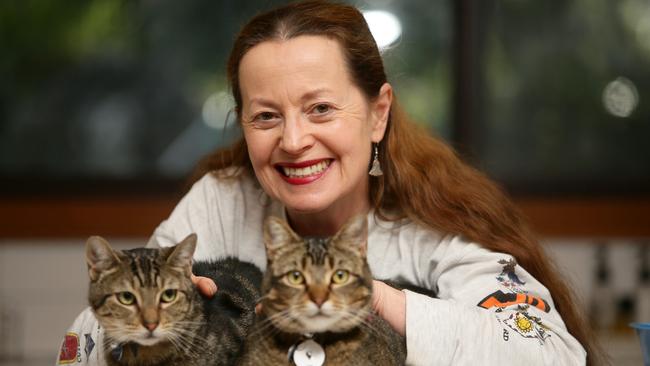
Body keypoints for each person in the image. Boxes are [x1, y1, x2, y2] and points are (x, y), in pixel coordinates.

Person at [59, 1, 606, 365]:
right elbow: (78, 343)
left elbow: (552, 353)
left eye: (320, 108)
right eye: (267, 116)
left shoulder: (442, 218)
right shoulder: (222, 200)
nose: (294, 140)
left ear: (377, 114)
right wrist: (161, 328)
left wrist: (375, 300)